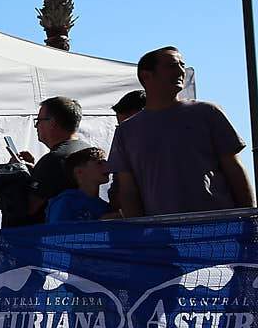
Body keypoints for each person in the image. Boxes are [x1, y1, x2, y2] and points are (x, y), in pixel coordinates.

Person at [108, 47, 254, 217]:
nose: (180, 71)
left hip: (217, 226)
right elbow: (128, 190)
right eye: (171, 66)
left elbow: (234, 168)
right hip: (162, 233)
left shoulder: (207, 112)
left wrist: (250, 216)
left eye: (181, 65)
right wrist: (139, 232)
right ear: (147, 76)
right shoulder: (126, 131)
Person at [11, 96, 91, 223]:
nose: (36, 126)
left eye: (39, 120)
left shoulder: (54, 159)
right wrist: (35, 170)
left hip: (54, 235)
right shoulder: (88, 150)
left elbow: (30, 207)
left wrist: (18, 174)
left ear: (52, 123)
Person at [46, 147, 113, 223]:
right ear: (79, 172)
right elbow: (57, 232)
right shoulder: (65, 202)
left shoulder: (105, 206)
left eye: (106, 162)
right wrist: (100, 222)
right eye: (99, 163)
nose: (108, 166)